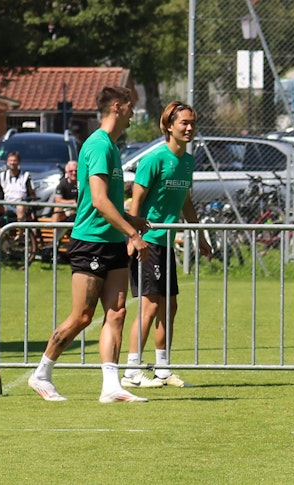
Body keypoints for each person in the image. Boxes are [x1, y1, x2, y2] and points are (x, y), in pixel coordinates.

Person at [27, 86, 151, 403]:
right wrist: (133, 235)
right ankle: (41, 374)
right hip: (90, 243)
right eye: (132, 107)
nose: (134, 113)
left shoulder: (111, 146)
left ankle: (111, 387)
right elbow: (96, 201)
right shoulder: (98, 145)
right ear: (118, 107)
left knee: (117, 312)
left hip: (110, 241)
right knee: (83, 316)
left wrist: (128, 220)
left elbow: (106, 201)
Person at [121, 101, 211, 390]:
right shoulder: (154, 159)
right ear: (168, 126)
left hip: (167, 244)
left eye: (192, 123)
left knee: (169, 307)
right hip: (149, 243)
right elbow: (135, 200)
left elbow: (185, 202)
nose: (189, 128)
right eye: (184, 122)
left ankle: (162, 368)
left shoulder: (187, 161)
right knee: (148, 307)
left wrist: (200, 236)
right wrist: (135, 237)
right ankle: (132, 370)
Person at [0, 151, 36, 221]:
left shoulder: (25, 176)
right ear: (7, 162)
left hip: (21, 204)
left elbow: (32, 194)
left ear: (19, 162)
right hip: (6, 204)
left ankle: (21, 231)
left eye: (15, 161)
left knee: (20, 208)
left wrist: (31, 208)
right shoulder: (2, 176)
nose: (12, 163)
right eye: (10, 161)